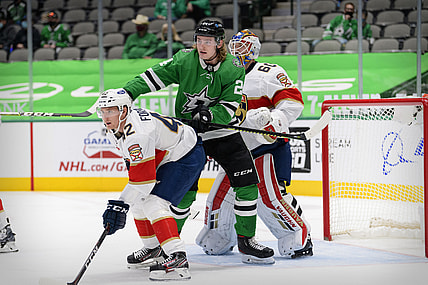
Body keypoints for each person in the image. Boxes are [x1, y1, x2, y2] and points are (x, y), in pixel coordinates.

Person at [121, 20, 275, 265]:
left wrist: (211, 115)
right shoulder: (185, 59)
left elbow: (230, 106)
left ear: (219, 43)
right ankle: (166, 246)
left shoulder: (233, 67)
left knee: (247, 184)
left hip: (222, 132)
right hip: (187, 135)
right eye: (198, 40)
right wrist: (127, 93)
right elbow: (153, 77)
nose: (201, 45)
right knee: (183, 194)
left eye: (207, 41)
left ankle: (247, 240)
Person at [196, 29, 313, 259]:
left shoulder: (268, 72)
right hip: (235, 149)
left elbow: (292, 102)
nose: (237, 51)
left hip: (264, 148)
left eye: (244, 47)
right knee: (221, 199)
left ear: (254, 50)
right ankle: (219, 235)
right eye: (235, 46)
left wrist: (274, 122)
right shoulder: (223, 73)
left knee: (267, 197)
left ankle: (296, 236)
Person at [98, 88, 206, 280]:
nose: (106, 116)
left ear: (123, 111)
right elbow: (135, 172)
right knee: (139, 201)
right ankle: (153, 249)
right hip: (165, 154)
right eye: (103, 111)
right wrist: (124, 203)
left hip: (185, 155)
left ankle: (177, 257)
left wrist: (120, 205)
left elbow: (143, 181)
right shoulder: (117, 128)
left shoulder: (137, 134)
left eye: (111, 111)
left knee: (153, 203)